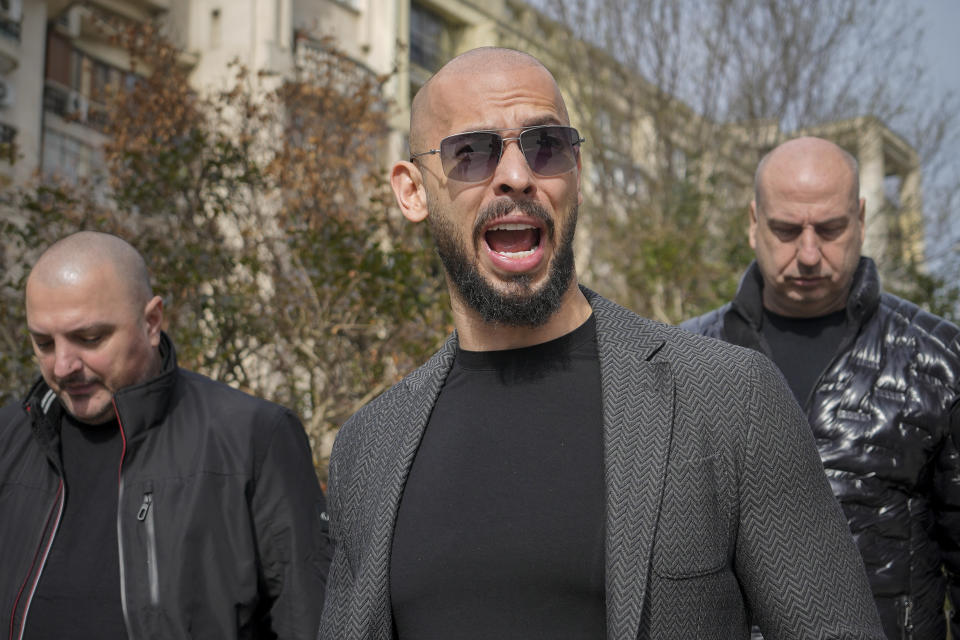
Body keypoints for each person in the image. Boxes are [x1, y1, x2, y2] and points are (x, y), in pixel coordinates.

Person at [317, 47, 884, 640]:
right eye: (472, 153)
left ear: (577, 175)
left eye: (546, 147)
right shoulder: (369, 449)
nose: (516, 175)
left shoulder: (730, 401)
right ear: (412, 191)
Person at [681, 136, 960, 639]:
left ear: (861, 219)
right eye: (787, 230)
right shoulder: (686, 358)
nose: (808, 254)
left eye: (829, 229)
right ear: (753, 223)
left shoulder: (938, 360)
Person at [0, 231, 331, 639]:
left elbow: (310, 621)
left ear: (151, 321)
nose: (64, 365)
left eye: (89, 339)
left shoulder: (253, 439)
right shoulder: (11, 438)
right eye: (44, 343)